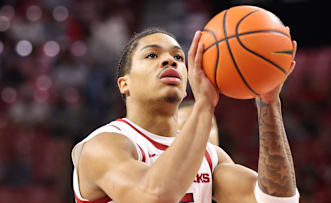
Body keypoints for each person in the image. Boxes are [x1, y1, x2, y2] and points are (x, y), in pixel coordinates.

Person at [71, 27, 299, 203]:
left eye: (179, 58)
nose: (170, 61)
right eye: (151, 55)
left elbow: (278, 200)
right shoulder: (102, 145)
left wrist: (269, 104)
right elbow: (154, 197)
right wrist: (205, 103)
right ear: (124, 84)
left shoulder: (210, 157)